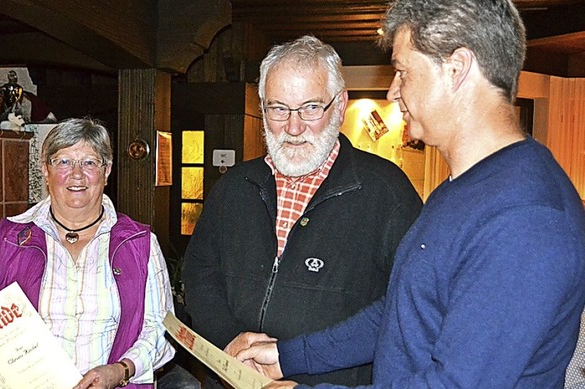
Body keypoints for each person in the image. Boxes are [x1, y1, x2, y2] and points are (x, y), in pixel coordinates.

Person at [231, 1, 585, 388]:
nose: (393, 90)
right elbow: (405, 310)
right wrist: (289, 357)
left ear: (456, 69)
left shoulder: (525, 218)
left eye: (402, 71)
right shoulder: (464, 187)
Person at [181, 35, 423, 388]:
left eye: (311, 108)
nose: (293, 128)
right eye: (278, 109)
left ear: (339, 106)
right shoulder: (234, 187)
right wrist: (230, 340)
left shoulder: (387, 193)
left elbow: (408, 308)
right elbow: (200, 271)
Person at [0, 118, 175, 389]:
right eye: (63, 162)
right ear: (45, 171)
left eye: (90, 162)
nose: (77, 174)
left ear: (107, 172)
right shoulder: (9, 240)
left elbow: (162, 331)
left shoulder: (140, 244)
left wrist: (121, 370)